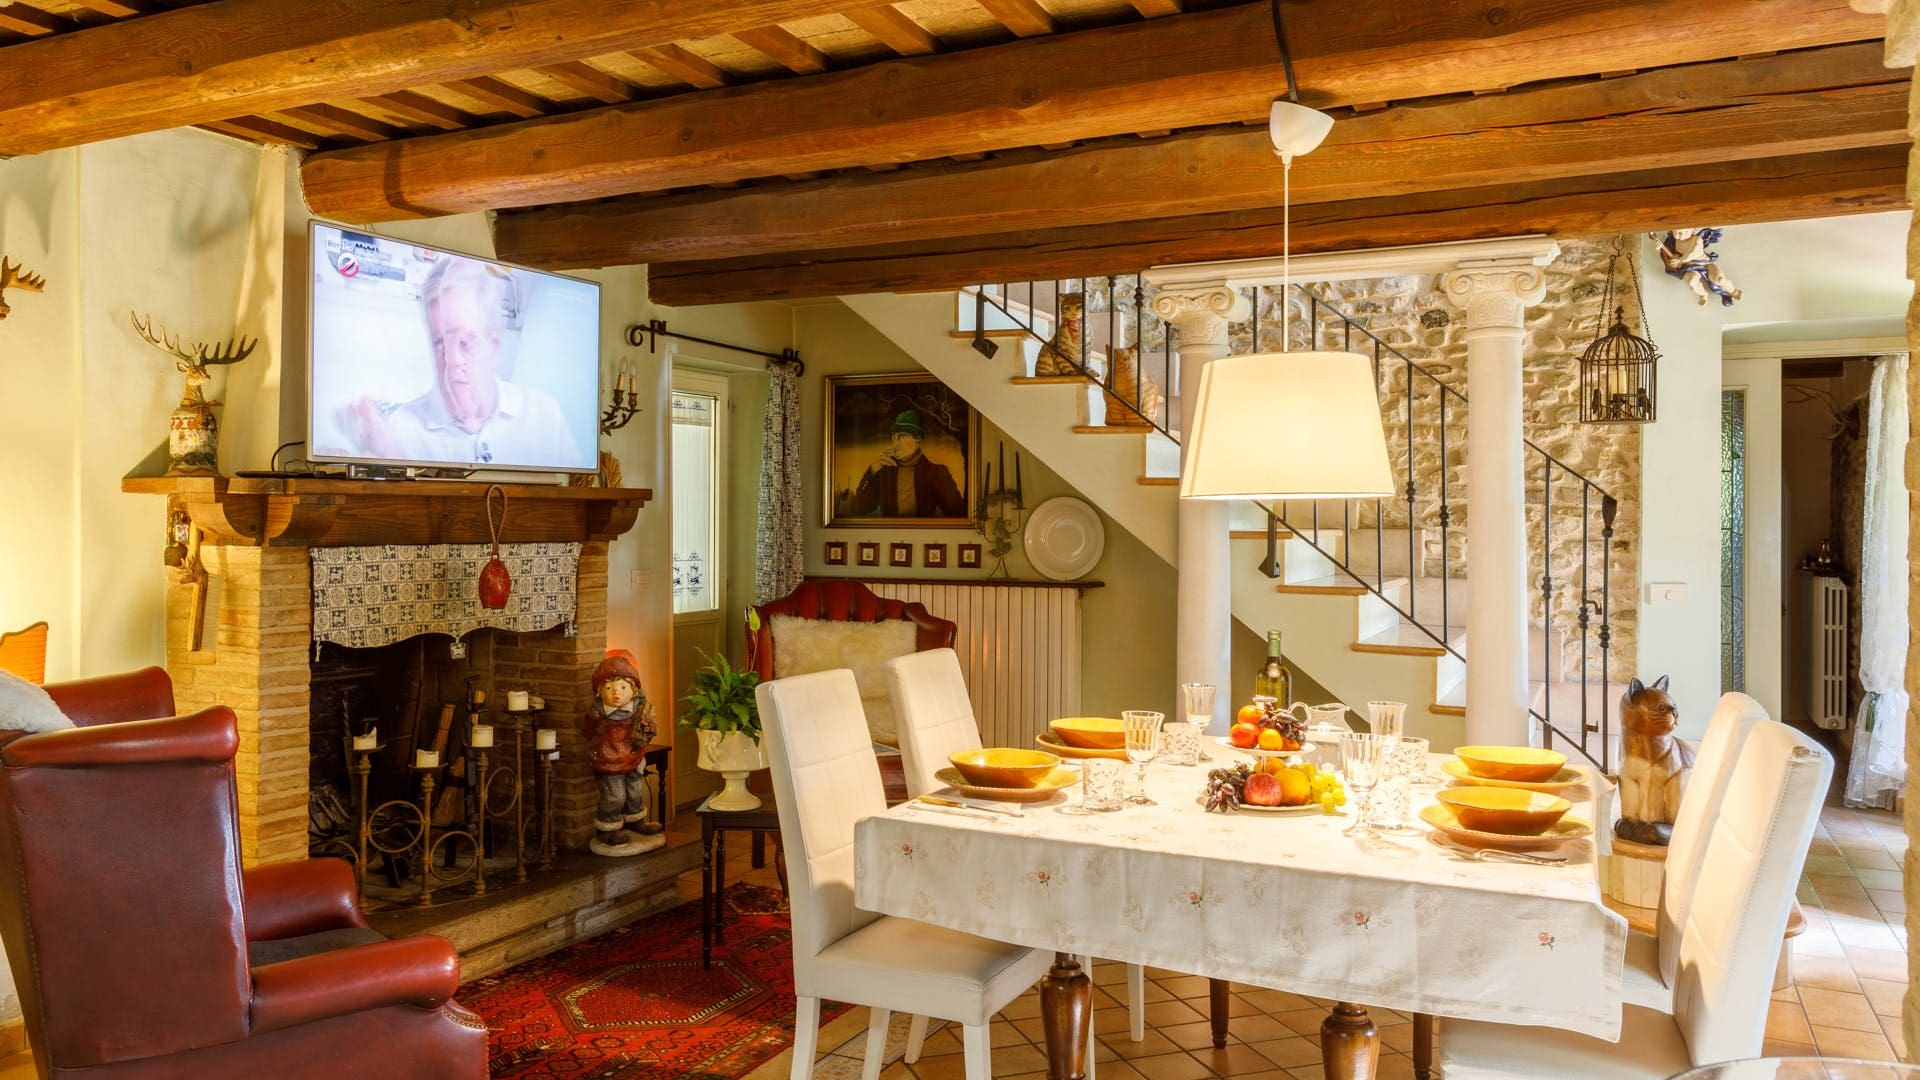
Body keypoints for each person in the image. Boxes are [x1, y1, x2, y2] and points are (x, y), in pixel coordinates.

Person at [343, 256, 587, 467]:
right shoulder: (401, 429)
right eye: (440, 342)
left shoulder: (543, 414)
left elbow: (580, 493)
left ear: (494, 345)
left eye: (465, 343)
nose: (452, 360)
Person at [579, 654, 666, 857]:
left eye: (623, 687)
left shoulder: (637, 709)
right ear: (600, 692)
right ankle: (607, 828)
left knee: (635, 790)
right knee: (615, 796)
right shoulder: (598, 713)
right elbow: (587, 730)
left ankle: (635, 820)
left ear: (633, 690)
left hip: (633, 756)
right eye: (609, 688)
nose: (617, 693)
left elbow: (645, 728)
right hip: (608, 761)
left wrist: (647, 730)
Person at [843, 408, 966, 517]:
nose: (895, 443)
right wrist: (872, 471)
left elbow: (957, 513)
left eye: (902, 436)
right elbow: (860, 508)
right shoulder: (884, 471)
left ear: (917, 438)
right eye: (894, 436)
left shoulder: (936, 473)